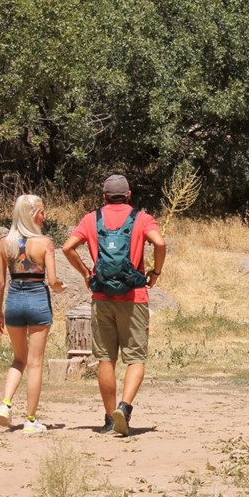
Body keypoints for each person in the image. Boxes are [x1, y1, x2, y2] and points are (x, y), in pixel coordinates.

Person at [62, 174, 166, 436]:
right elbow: (160, 243)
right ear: (129, 194)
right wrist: (155, 273)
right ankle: (125, 408)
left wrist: (87, 273)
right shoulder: (142, 218)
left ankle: (110, 418)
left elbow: (67, 247)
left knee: (106, 359)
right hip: (134, 298)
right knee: (136, 358)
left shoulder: (91, 219)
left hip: (102, 298)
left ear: (104, 196)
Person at [0, 194, 66, 434]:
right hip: (37, 300)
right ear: (32, 214)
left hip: (14, 300)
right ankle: (30, 420)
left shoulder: (5, 243)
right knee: (35, 364)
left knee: (18, 359)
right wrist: (59, 287)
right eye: (42, 212)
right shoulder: (45, 243)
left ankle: (5, 405)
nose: (44, 217)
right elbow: (53, 280)